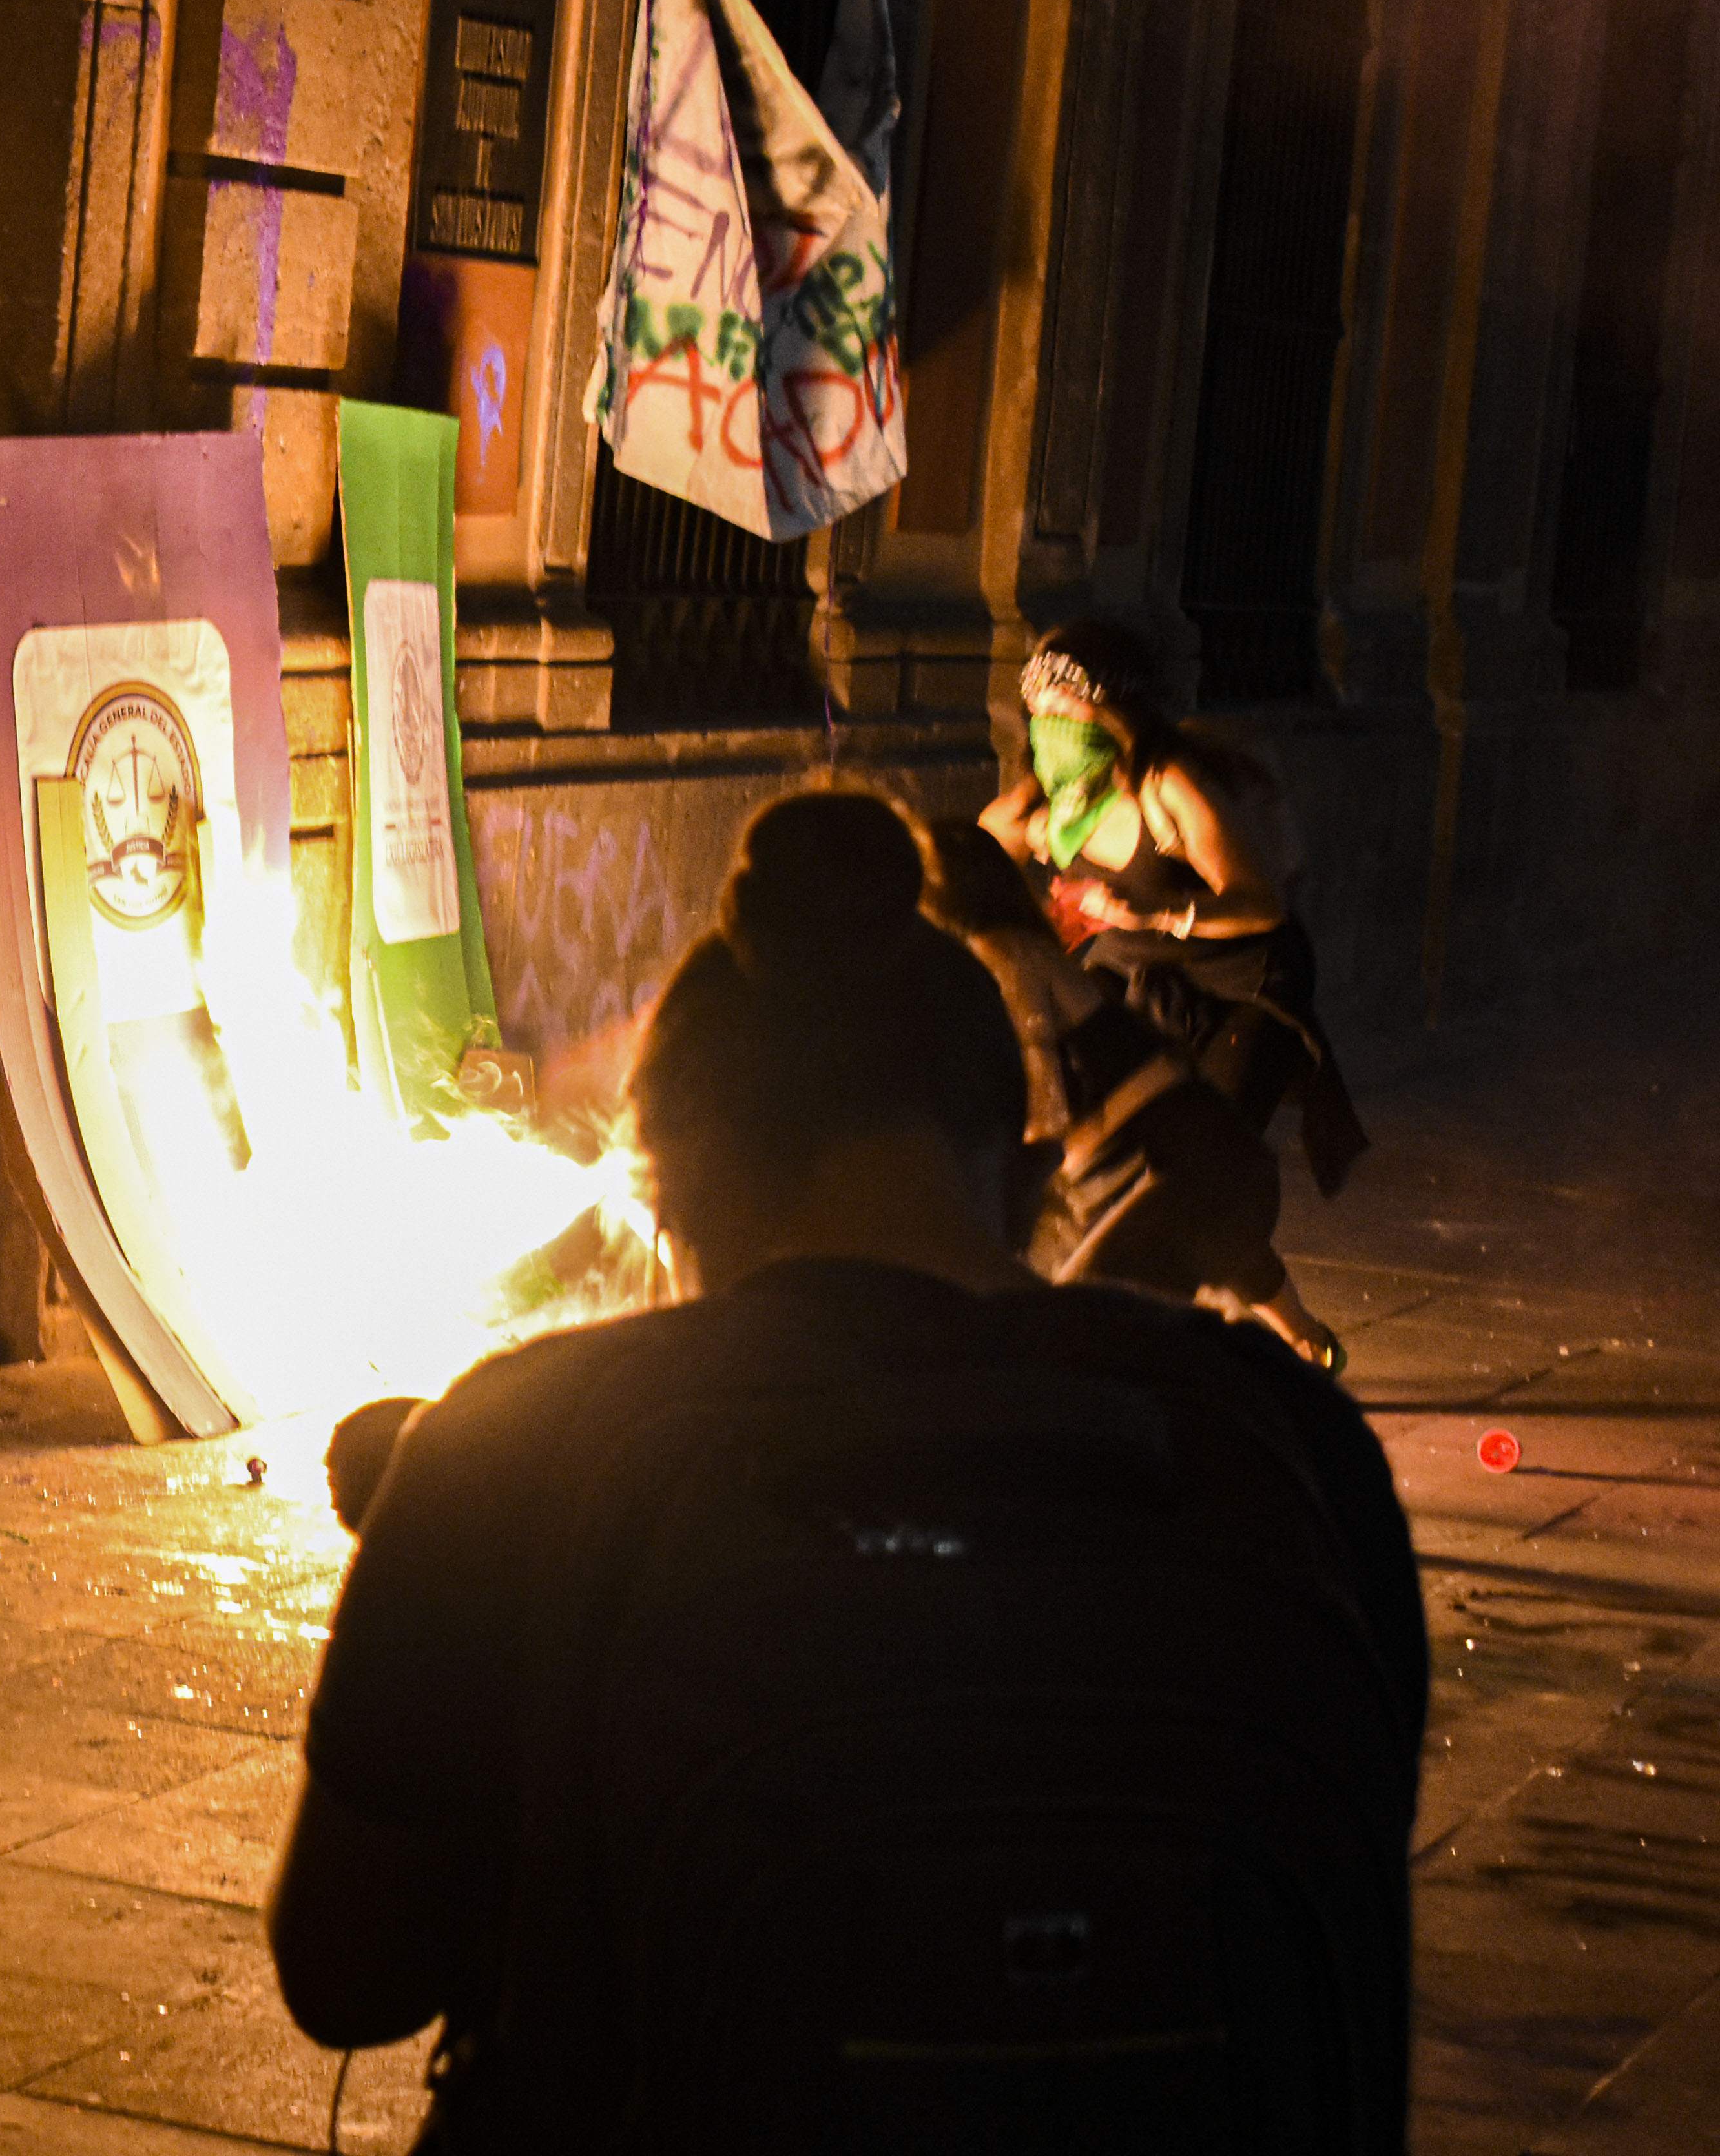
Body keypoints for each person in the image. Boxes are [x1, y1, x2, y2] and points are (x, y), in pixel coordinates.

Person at [269, 793, 1424, 2151]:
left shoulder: (521, 1444)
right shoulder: (1284, 1438)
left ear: (672, 1189)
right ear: (1023, 1159)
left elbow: (345, 1975)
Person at [979, 619, 1361, 1364]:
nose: (1052, 723)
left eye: (1070, 705)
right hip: (1135, 974)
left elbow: (1259, 902)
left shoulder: (1167, 784)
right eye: (1041, 707)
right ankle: (1123, 1315)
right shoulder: (1044, 801)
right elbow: (978, 864)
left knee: (1201, 1168)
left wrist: (1152, 912)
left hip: (1244, 981)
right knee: (1085, 1139)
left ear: (1123, 707)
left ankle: (1237, 1338)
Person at [922, 816, 1313, 1344]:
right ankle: (1300, 1351)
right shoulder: (1012, 946)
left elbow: (1043, 1114)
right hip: (1201, 1162)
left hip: (1180, 1172)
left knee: (1083, 1328)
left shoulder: (1004, 955)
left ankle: (1265, 1376)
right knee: (1104, 1318)